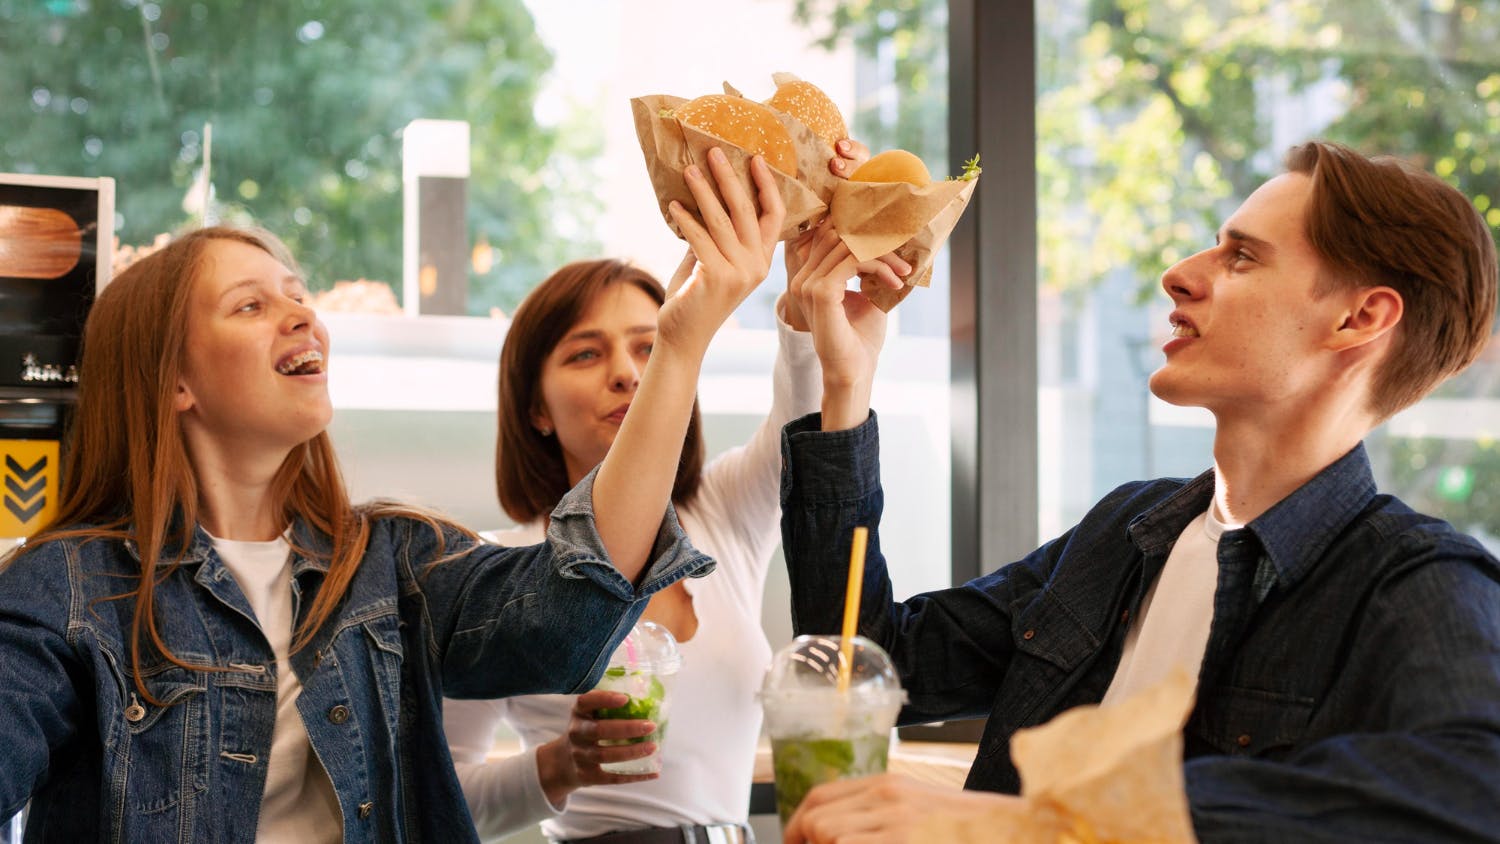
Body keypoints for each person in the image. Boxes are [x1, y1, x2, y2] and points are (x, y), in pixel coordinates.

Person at [0, 148, 784, 843]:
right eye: (252, 305)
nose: (301, 314)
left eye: (297, 294)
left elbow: (572, 612)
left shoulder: (392, 562)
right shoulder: (66, 591)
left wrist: (681, 347)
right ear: (172, 379)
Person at [776, 140, 1500, 843]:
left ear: (1359, 319)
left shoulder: (1416, 582)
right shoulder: (1127, 530)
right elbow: (861, 658)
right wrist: (846, 382)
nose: (1179, 274)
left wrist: (1039, 825)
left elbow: (1475, 790)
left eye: (1241, 256)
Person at [442, 141, 911, 844]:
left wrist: (827, 258)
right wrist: (558, 767)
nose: (628, 374)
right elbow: (440, 795)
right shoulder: (493, 576)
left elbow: (808, 420)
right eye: (585, 353)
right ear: (535, 407)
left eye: (649, 346)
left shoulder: (718, 512)